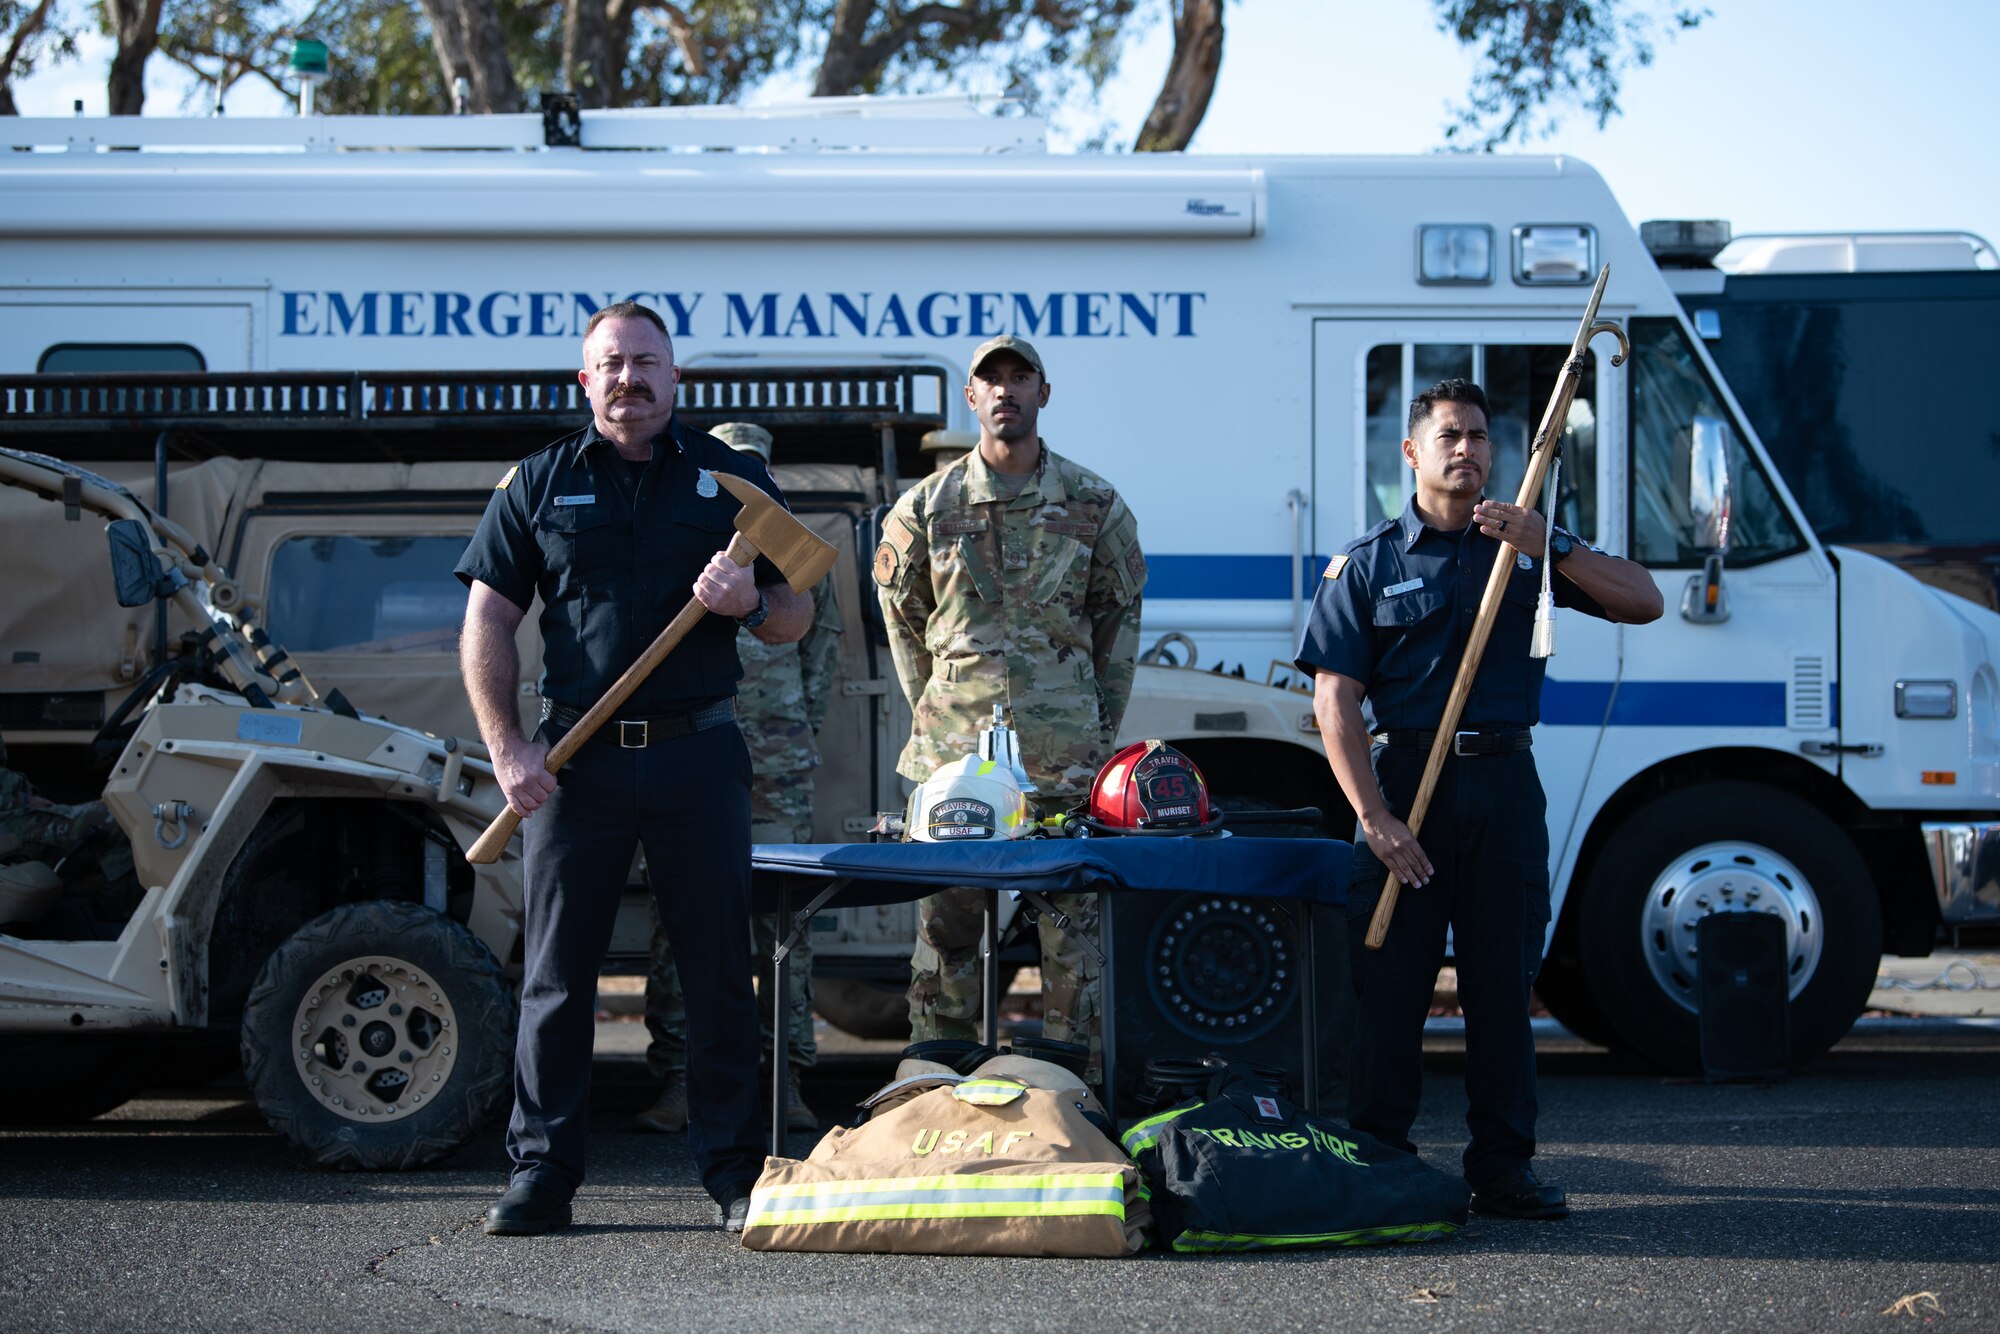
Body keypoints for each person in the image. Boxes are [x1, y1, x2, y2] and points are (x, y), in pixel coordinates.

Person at [456, 301, 812, 1237]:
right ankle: (542, 1175)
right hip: (576, 765)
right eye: (611, 364)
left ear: (675, 377)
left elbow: (795, 613)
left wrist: (745, 602)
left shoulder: (731, 478)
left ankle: (736, 1173)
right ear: (586, 380)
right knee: (558, 978)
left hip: (700, 754)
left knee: (715, 970)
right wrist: (508, 751)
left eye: (646, 363)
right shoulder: (536, 485)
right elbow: (489, 620)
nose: (630, 379)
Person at [1296, 378, 1663, 1220]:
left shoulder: (1525, 550)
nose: (1466, 450)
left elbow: (1644, 601)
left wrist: (1554, 542)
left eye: (1479, 438)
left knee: (1503, 991)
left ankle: (1503, 1170)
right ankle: (1382, 1163)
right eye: (1450, 436)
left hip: (1503, 786)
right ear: (1412, 453)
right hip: (1406, 790)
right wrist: (1376, 821)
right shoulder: (1370, 563)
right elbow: (1334, 700)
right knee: (1389, 993)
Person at [874, 335, 1145, 1082]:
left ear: (1042, 394)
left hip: (1063, 755)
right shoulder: (925, 509)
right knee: (950, 925)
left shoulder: (1095, 504)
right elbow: (904, 625)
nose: (1005, 391)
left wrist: (1090, 733)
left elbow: (1117, 627)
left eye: (1019, 378)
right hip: (954, 760)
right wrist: (944, 713)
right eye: (990, 380)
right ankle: (935, 1081)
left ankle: (1072, 1089)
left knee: (1071, 929)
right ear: (971, 398)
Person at [635, 421, 843, 1138]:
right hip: (691, 748)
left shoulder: (790, 553)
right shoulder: (682, 537)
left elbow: (824, 646)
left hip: (776, 766)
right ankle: (677, 1077)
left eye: (757, 472)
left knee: (784, 919)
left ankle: (784, 1076)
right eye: (736, 472)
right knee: (680, 916)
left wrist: (793, 727)